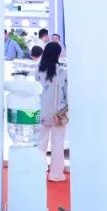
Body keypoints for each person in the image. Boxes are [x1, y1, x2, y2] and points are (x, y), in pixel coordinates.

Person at [36, 41, 68, 182]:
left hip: (41, 110)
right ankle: (56, 174)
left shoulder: (38, 69)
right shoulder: (62, 71)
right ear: (58, 54)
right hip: (58, 113)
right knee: (58, 143)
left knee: (40, 143)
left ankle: (37, 170)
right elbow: (65, 93)